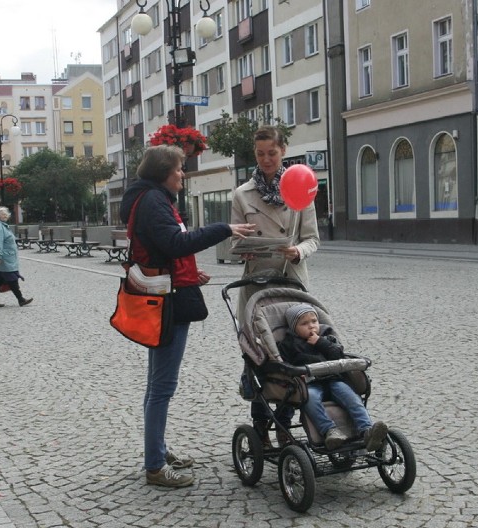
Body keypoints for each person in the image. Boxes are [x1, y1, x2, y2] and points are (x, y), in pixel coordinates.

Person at [121, 144, 255, 488]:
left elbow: (164, 247)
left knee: (157, 384)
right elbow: (176, 243)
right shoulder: (154, 201)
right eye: (179, 168)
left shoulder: (153, 198)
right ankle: (154, 466)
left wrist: (188, 274)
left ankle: (158, 448)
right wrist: (223, 228)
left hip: (168, 292)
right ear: (163, 171)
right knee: (162, 385)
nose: (183, 174)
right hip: (166, 303)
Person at [231, 125, 320, 447]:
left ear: (283, 151)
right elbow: (234, 238)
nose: (266, 159)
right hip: (256, 285)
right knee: (258, 359)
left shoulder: (302, 188)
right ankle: (260, 430)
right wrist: (244, 246)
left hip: (291, 282)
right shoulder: (242, 194)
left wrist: (299, 251)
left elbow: (312, 238)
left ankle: (284, 427)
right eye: (260, 154)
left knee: (291, 356)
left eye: (272, 152)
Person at [278, 303, 388, 452]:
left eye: (314, 321)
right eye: (304, 323)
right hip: (309, 383)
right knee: (309, 399)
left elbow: (338, 356)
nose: (311, 326)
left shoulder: (326, 338)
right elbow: (284, 363)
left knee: (352, 398)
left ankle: (367, 430)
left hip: (333, 379)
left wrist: (320, 342)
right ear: (293, 327)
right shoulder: (288, 344)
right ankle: (330, 431)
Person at [0, 206, 32, 308]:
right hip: (4, 258)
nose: (5, 216)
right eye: (3, 215)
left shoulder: (1, 225)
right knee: (11, 278)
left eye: (6, 215)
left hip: (5, 257)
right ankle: (21, 299)